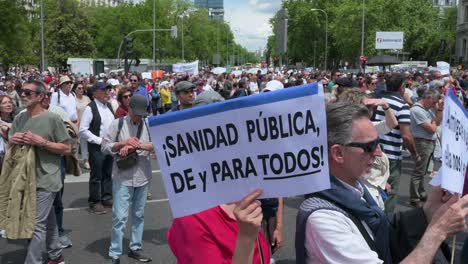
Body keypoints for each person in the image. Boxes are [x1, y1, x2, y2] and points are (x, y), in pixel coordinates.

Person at [295, 102, 468, 264]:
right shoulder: (323, 220)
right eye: (369, 146)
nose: (378, 153)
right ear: (338, 153)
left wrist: (429, 210)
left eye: (378, 143)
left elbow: (382, 226)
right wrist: (438, 231)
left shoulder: (353, 187)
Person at [9, 80, 71, 264]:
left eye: (28, 92)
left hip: (47, 178)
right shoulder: (20, 118)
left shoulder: (52, 119)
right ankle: (56, 255)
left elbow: (67, 148)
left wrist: (41, 142)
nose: (23, 95)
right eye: (22, 91)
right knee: (48, 220)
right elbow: (10, 143)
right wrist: (14, 140)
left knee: (36, 225)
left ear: (41, 96)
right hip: (26, 177)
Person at [102, 95, 154, 264]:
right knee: (119, 216)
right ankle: (115, 253)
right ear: (129, 108)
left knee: (139, 214)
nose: (139, 116)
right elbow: (105, 146)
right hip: (122, 177)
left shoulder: (148, 123)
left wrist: (137, 146)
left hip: (143, 175)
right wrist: (122, 144)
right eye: (136, 112)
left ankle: (135, 247)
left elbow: (157, 144)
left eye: (141, 113)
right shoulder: (117, 124)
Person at [374, 73, 421, 213]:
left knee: (373, 188)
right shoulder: (402, 106)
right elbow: (406, 136)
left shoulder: (376, 100)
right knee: (390, 193)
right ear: (402, 88)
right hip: (391, 156)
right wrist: (415, 154)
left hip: (373, 150)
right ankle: (385, 225)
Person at [79, 82, 115, 214]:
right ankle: (94, 201)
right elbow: (83, 130)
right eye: (104, 90)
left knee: (107, 173)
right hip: (97, 147)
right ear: (94, 93)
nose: (107, 92)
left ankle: (106, 197)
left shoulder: (108, 106)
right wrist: (99, 141)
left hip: (109, 146)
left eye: (108, 90)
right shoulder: (91, 108)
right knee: (96, 175)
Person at [409, 88, 443, 207]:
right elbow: (432, 129)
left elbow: (437, 123)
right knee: (418, 171)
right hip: (422, 142)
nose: (435, 104)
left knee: (423, 171)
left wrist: (439, 109)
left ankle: (421, 192)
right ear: (428, 98)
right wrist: (434, 120)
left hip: (428, 142)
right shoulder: (417, 110)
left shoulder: (427, 110)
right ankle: (414, 197)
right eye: (434, 102)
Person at [74, 81, 92, 170]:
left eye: (82, 88)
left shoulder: (87, 98)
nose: (81, 90)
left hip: (86, 125)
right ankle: (75, 161)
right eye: (79, 88)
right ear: (75, 89)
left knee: (85, 144)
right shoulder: (72, 99)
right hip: (76, 124)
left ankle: (86, 160)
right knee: (76, 144)